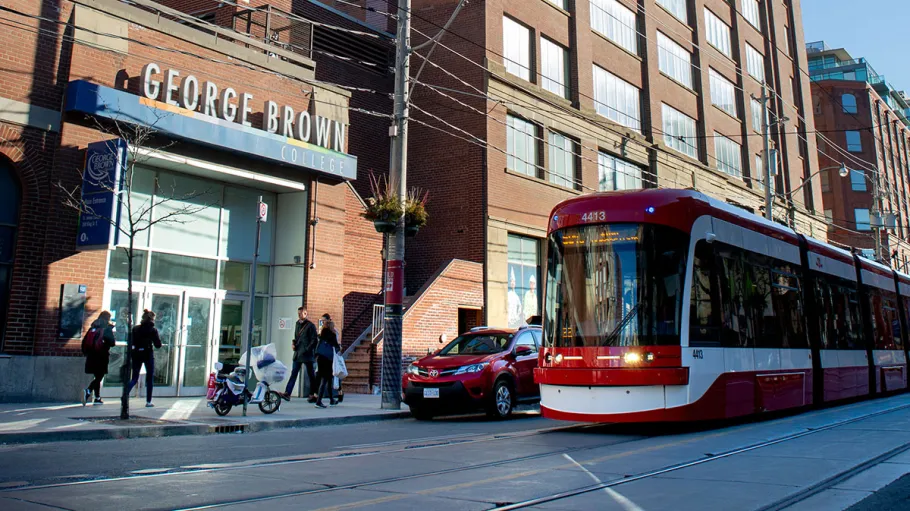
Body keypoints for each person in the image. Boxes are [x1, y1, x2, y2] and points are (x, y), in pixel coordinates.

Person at [281, 307, 318, 402]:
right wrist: (293, 344)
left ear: (305, 314)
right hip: (298, 353)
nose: (299, 315)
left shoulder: (310, 326)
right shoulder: (297, 324)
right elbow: (296, 336)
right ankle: (287, 393)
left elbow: (314, 340)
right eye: (298, 313)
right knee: (294, 373)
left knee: (311, 375)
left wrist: (307, 349)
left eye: (301, 313)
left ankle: (313, 394)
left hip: (306, 354)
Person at [128, 309, 162, 407]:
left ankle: (125, 393)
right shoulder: (153, 330)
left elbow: (131, 342)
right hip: (148, 354)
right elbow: (158, 344)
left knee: (134, 377)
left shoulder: (135, 329)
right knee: (149, 378)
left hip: (136, 354)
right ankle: (148, 401)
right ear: (152, 319)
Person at [82, 311, 116, 406]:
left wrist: (86, 353)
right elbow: (112, 343)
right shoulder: (106, 328)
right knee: (100, 376)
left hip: (91, 356)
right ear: (108, 318)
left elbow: (85, 341)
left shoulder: (93, 327)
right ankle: (88, 390)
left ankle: (97, 397)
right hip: (102, 355)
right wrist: (110, 330)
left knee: (97, 376)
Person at [314, 318, 340, 408]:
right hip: (328, 359)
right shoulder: (332, 335)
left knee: (328, 379)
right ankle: (319, 401)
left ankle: (331, 399)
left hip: (320, 358)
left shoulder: (322, 335)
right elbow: (336, 346)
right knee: (325, 380)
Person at [321, 313, 344, 403]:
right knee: (330, 377)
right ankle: (334, 396)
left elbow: (336, 343)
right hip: (329, 356)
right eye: (322, 321)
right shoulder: (327, 331)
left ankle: (336, 394)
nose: (323, 322)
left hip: (331, 356)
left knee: (332, 376)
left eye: (324, 321)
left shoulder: (331, 332)